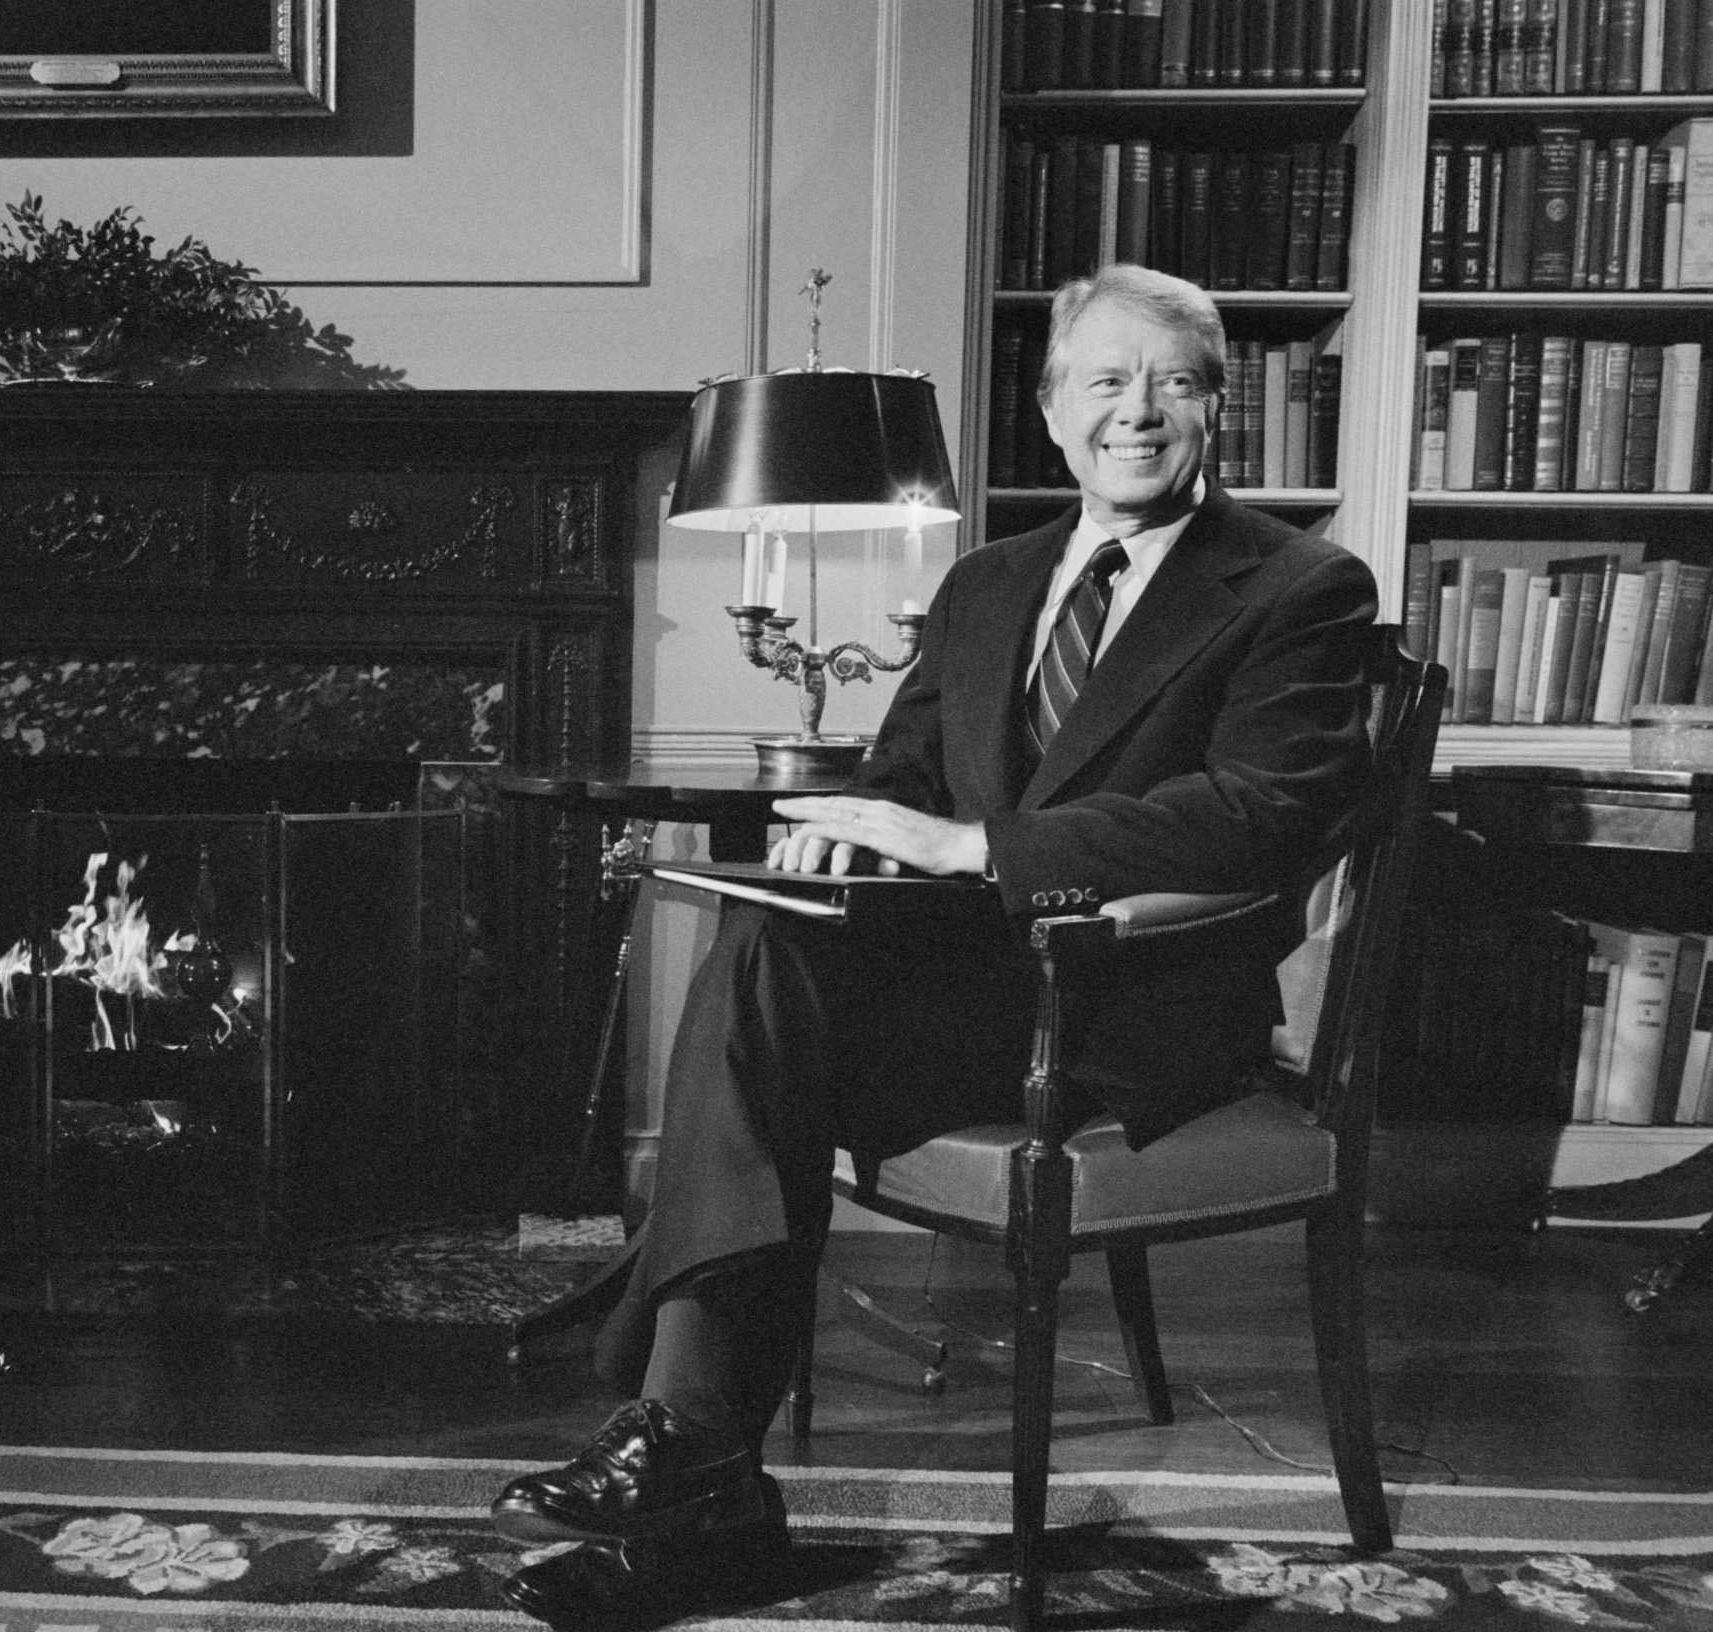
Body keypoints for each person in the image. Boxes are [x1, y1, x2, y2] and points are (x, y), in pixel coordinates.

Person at [489, 263, 1381, 1627]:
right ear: (1052, 410)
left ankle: (693, 1460)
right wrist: (852, 832)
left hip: (1132, 1006)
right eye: (1106, 381)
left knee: (758, 1044)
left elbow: (1261, 814)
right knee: (767, 942)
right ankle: (701, 1466)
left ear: (1217, 408)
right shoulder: (986, 583)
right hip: (970, 996)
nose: (1137, 412)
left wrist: (981, 848)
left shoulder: (1301, 585)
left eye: (1173, 384)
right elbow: (907, 769)